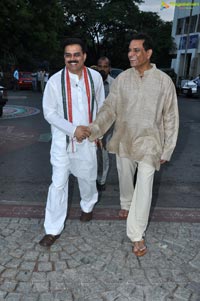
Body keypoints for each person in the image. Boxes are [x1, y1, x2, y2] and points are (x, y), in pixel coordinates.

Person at [88, 33, 179, 257]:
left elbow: (171, 117)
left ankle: (136, 234)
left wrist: (168, 148)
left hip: (150, 142)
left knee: (145, 187)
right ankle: (126, 202)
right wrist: (95, 129)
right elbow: (109, 109)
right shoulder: (123, 79)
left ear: (148, 53)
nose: (131, 54)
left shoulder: (163, 81)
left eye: (136, 50)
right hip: (125, 138)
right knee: (125, 176)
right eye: (130, 50)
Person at [39, 38, 105, 247]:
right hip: (62, 142)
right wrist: (72, 129)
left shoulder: (95, 78)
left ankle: (87, 205)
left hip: (87, 140)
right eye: (68, 55)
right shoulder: (54, 81)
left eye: (76, 54)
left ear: (84, 56)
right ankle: (52, 229)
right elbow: (49, 113)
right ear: (64, 57)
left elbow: (101, 107)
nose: (72, 59)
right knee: (58, 184)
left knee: (87, 178)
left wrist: (98, 133)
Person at [96, 57, 114, 191]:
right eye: (100, 66)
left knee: (102, 151)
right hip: (92, 122)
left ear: (109, 68)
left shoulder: (114, 84)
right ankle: (92, 176)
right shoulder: (92, 82)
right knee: (91, 152)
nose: (103, 69)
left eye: (105, 66)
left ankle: (101, 180)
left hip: (107, 124)